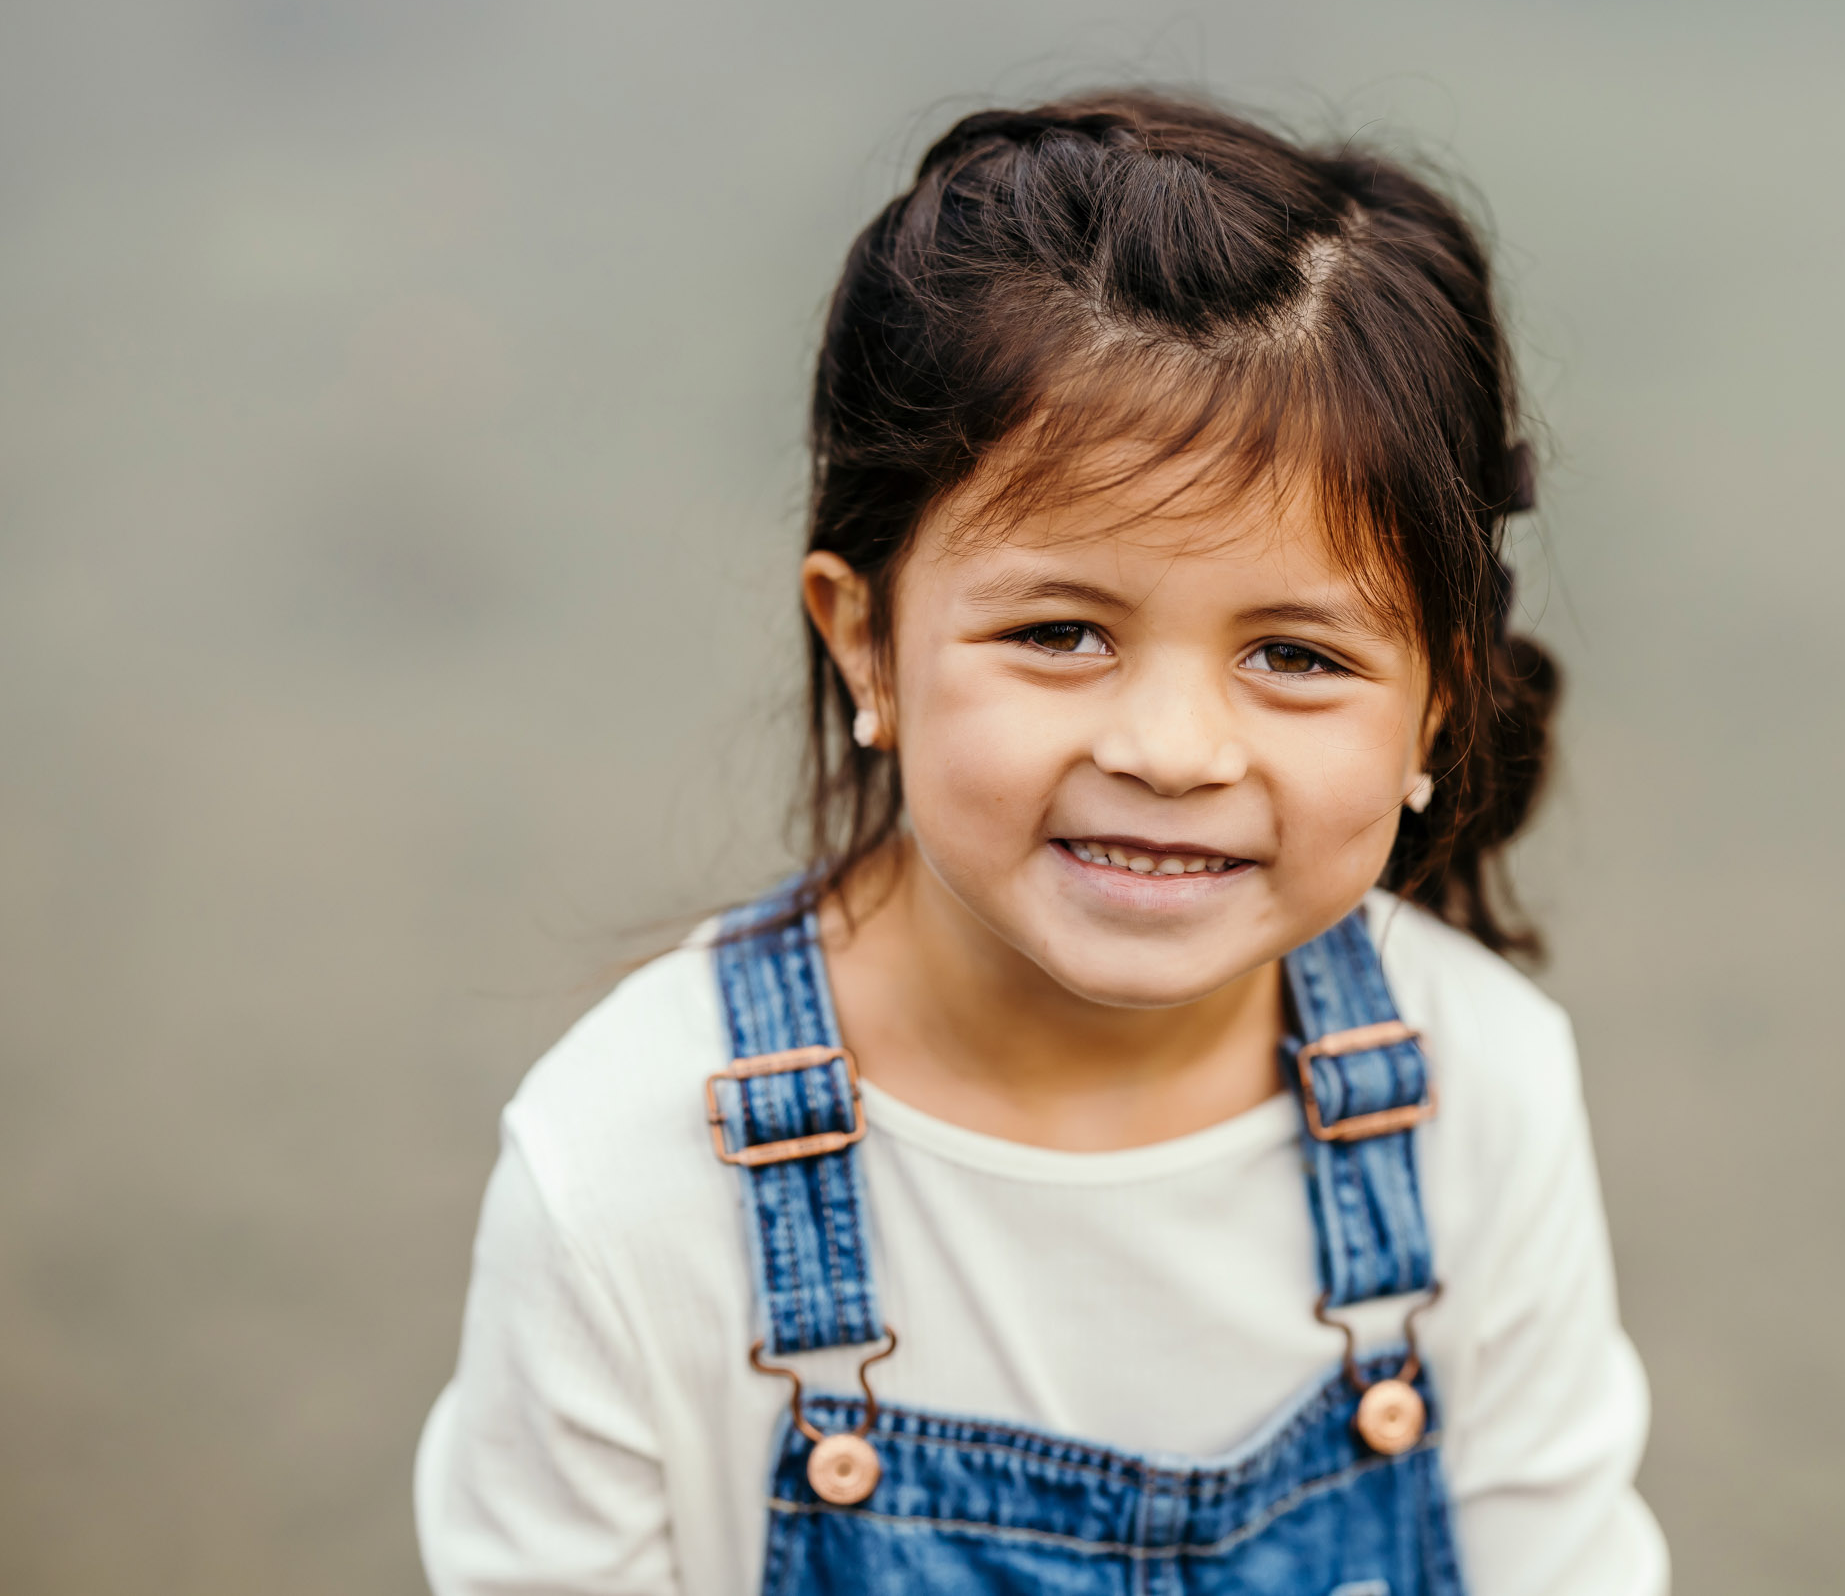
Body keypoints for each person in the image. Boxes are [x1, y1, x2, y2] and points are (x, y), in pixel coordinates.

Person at [415, 91, 1667, 1596]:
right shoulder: (627, 1175)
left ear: (1437, 707)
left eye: (1297, 655)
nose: (1172, 748)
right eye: (1061, 631)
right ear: (865, 638)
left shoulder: (1482, 1093)